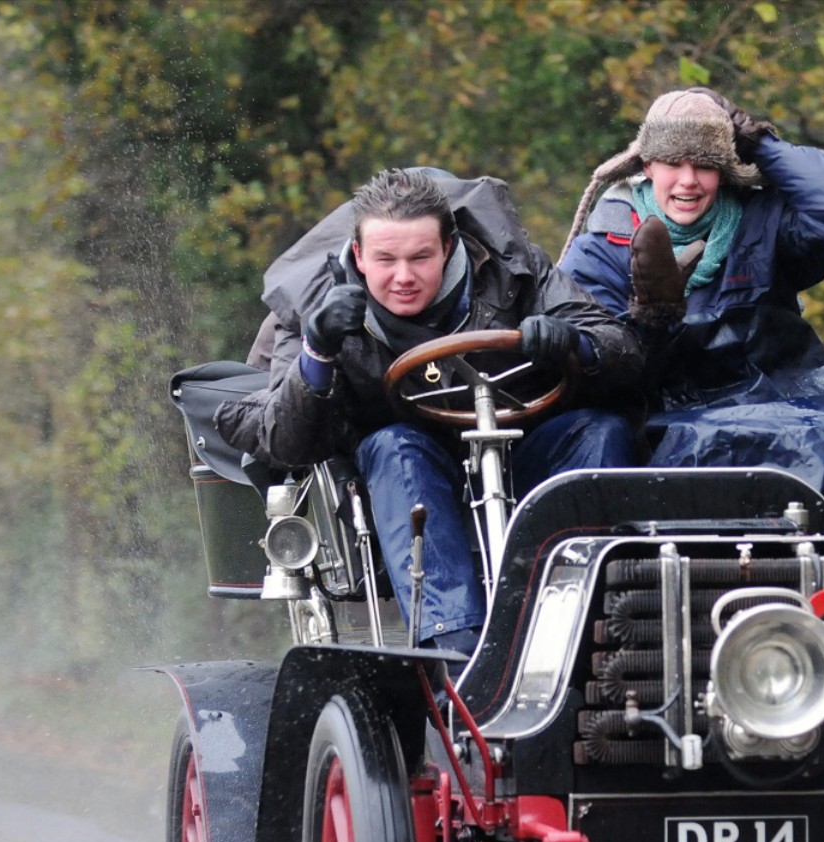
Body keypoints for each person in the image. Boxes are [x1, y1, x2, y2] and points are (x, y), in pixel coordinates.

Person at [218, 167, 643, 654]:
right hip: (394, 498)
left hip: (520, 461)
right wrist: (318, 349)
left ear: (448, 248)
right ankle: (455, 654)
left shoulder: (516, 270)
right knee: (395, 446)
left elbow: (625, 352)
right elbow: (284, 442)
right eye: (386, 259)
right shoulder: (311, 305)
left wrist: (578, 345)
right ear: (358, 255)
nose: (403, 277)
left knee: (598, 430)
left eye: (420, 257)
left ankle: (589, 619)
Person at [557, 89, 824, 567]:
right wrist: (653, 323)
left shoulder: (764, 220)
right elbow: (592, 367)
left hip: (787, 407)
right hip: (663, 424)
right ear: (645, 166)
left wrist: (761, 145)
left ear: (727, 167)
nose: (688, 182)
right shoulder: (598, 251)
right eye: (674, 163)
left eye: (705, 164)